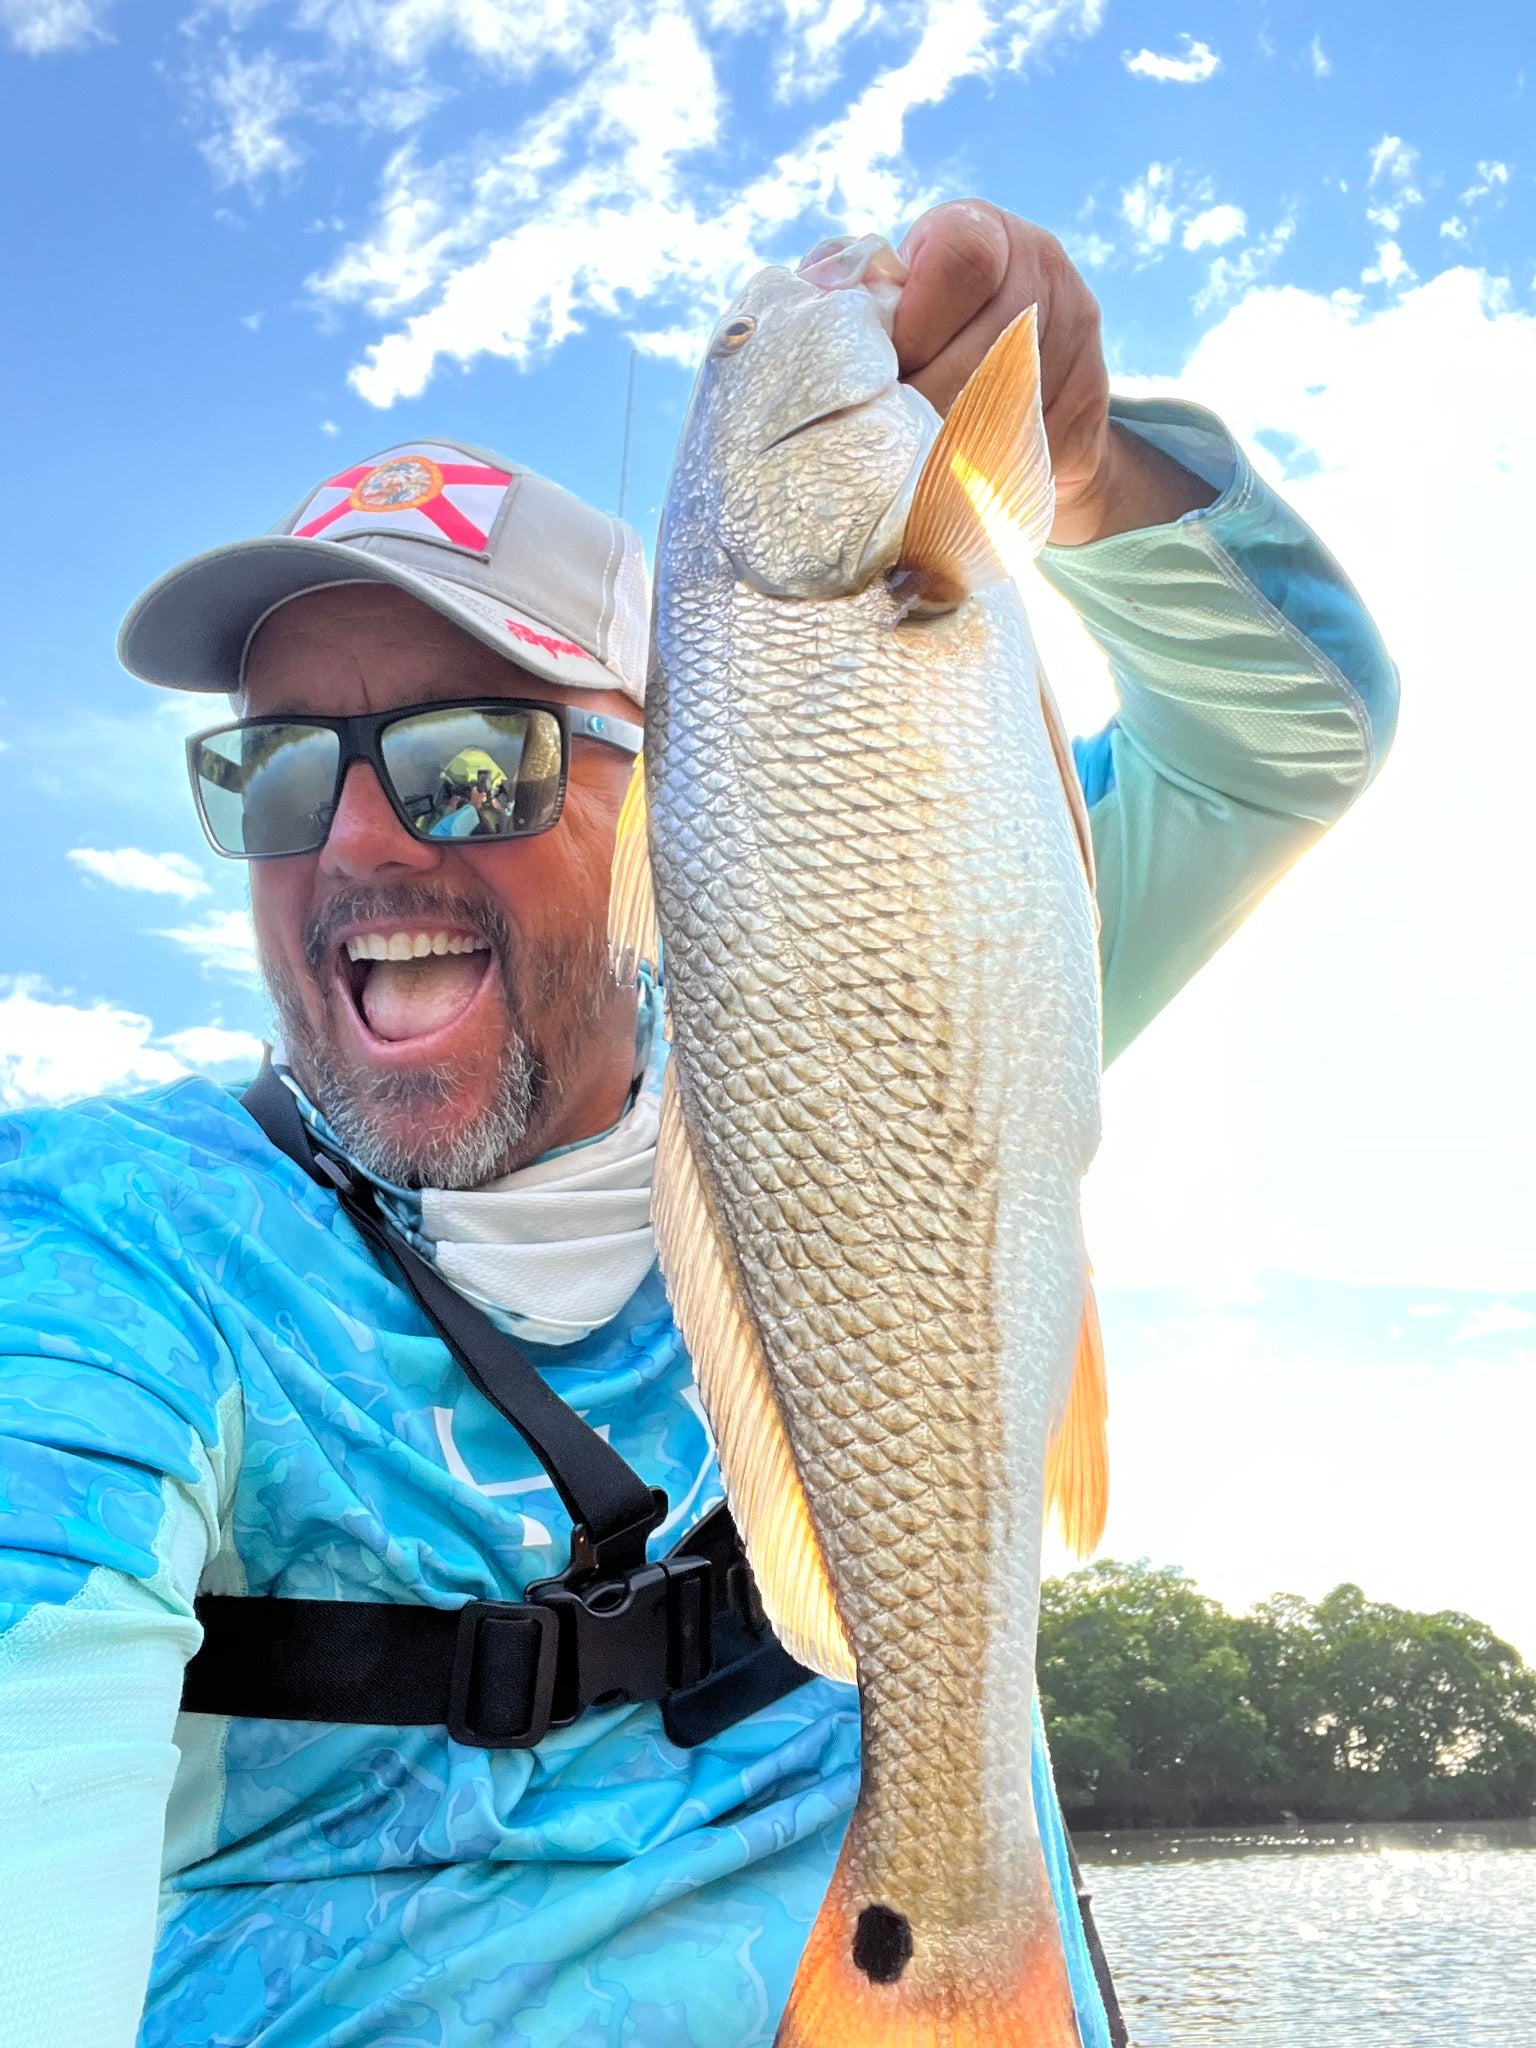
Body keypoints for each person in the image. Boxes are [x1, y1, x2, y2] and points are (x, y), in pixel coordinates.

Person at [0, 202, 1396, 2048]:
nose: (357, 840)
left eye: (468, 757)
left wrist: (1083, 464)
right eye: (272, 771)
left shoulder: (884, 961)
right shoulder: (101, 1249)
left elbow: (1294, 731)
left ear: (669, 788)